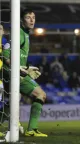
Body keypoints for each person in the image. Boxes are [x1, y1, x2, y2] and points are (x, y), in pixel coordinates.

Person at [3, 9, 47, 137]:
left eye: (33, 17)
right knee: (41, 95)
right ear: (22, 20)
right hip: (12, 71)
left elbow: (16, 55)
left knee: (15, 99)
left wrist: (26, 68)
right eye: (28, 17)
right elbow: (5, 54)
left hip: (14, 70)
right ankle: (32, 129)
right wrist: (19, 69)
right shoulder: (20, 34)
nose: (32, 20)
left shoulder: (24, 34)